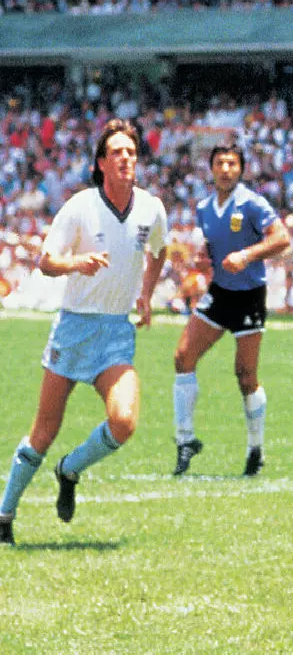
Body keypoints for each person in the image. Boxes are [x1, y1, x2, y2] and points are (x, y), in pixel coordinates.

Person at [0, 120, 168, 546]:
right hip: (74, 327)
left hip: (115, 332)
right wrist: (78, 263)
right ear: (101, 162)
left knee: (124, 421)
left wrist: (146, 295)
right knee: (44, 431)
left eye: (131, 152)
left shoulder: (151, 209)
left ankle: (70, 469)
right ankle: (4, 515)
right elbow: (45, 261)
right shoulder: (80, 206)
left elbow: (160, 250)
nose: (126, 158)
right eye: (117, 152)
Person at [171, 144, 291, 477]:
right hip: (220, 293)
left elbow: (283, 240)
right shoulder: (205, 208)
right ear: (211, 169)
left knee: (245, 376)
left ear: (240, 169)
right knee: (183, 357)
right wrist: (202, 260)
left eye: (232, 163)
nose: (226, 169)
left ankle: (256, 449)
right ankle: (185, 440)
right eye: (220, 163)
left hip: (250, 296)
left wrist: (247, 256)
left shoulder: (253, 203)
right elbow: (209, 251)